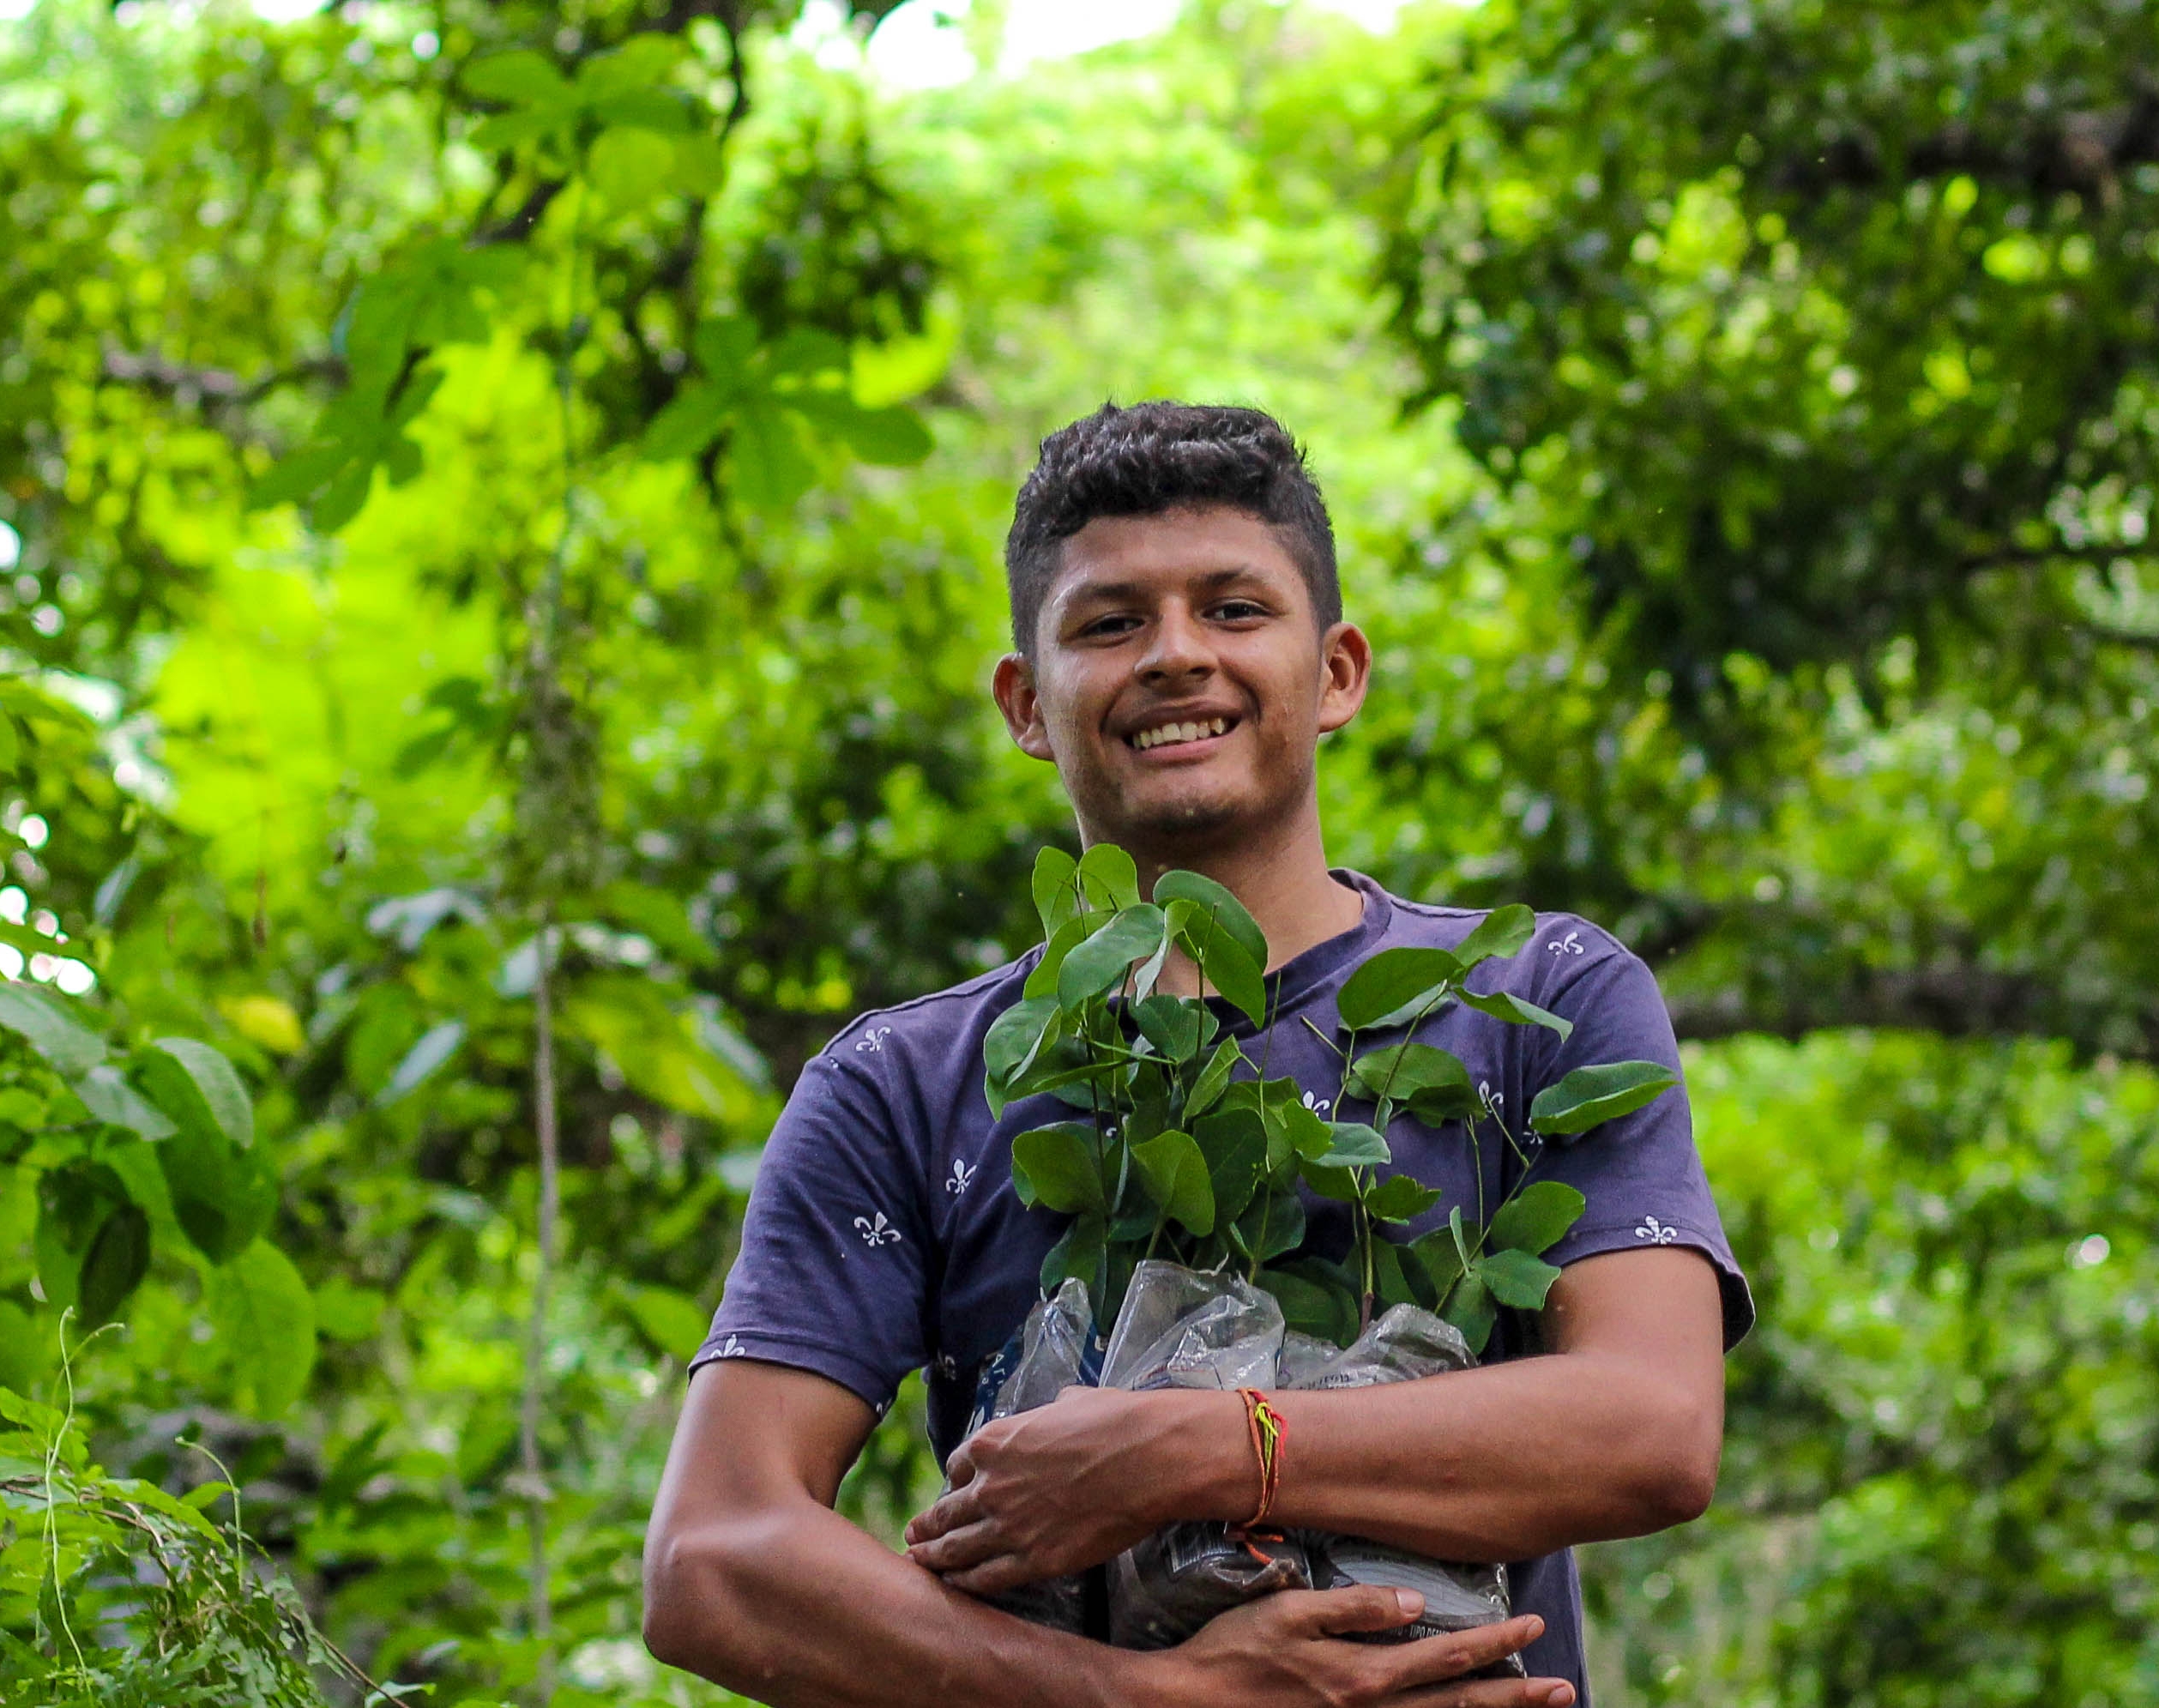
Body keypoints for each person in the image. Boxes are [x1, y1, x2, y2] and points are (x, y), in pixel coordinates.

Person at [642, 401, 1752, 1708]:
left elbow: (1652, 1428)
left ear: (1336, 671)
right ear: (1026, 704)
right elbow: (711, 1559)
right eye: (1111, 625)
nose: (1176, 656)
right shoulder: (904, 1086)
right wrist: (1152, 1701)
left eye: (1233, 609)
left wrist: (1202, 1450)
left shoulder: (1537, 1001)